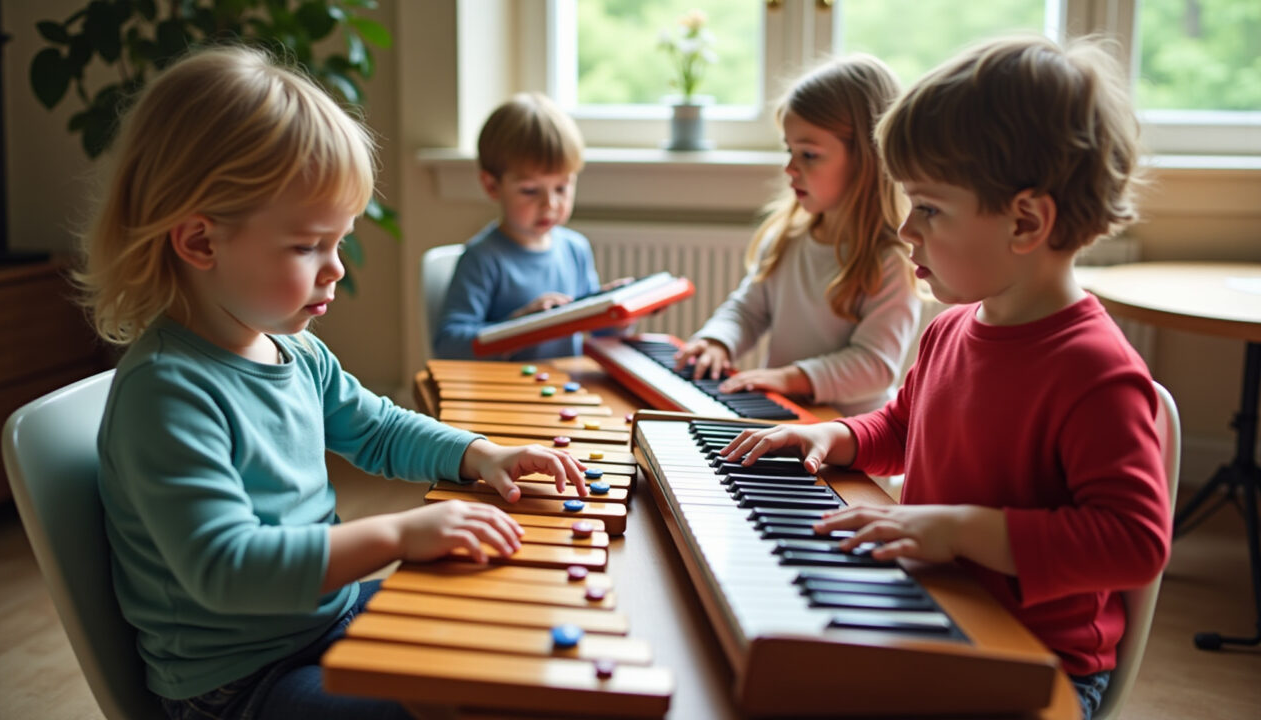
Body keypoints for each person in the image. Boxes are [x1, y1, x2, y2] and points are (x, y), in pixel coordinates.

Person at [78, 46, 586, 720]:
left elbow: (376, 426)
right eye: (307, 246)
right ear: (200, 243)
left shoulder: (296, 352)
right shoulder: (169, 393)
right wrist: (398, 536)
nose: (335, 270)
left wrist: (480, 453)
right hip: (239, 685)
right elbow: (226, 568)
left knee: (503, 636)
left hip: (324, 622)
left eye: (340, 242)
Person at [720, 37, 1172, 720]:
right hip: (937, 606)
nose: (904, 230)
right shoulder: (951, 330)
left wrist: (960, 529)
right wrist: (836, 436)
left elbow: (1133, 543)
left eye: (928, 209)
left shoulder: (1095, 372)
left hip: (1034, 661)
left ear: (1026, 220)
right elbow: (903, 427)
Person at [673, 55, 921, 416]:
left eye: (808, 154)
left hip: (852, 445)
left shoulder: (891, 260)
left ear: (867, 158)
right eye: (789, 150)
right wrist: (717, 342)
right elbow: (748, 310)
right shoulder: (788, 236)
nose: (790, 168)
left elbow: (875, 366)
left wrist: (789, 378)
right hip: (788, 421)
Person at [433, 92, 629, 361]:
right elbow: (448, 344)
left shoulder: (575, 249)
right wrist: (519, 327)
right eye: (529, 190)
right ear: (492, 186)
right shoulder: (482, 258)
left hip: (565, 392)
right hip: (507, 396)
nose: (550, 204)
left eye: (561, 187)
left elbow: (595, 334)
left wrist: (616, 313)